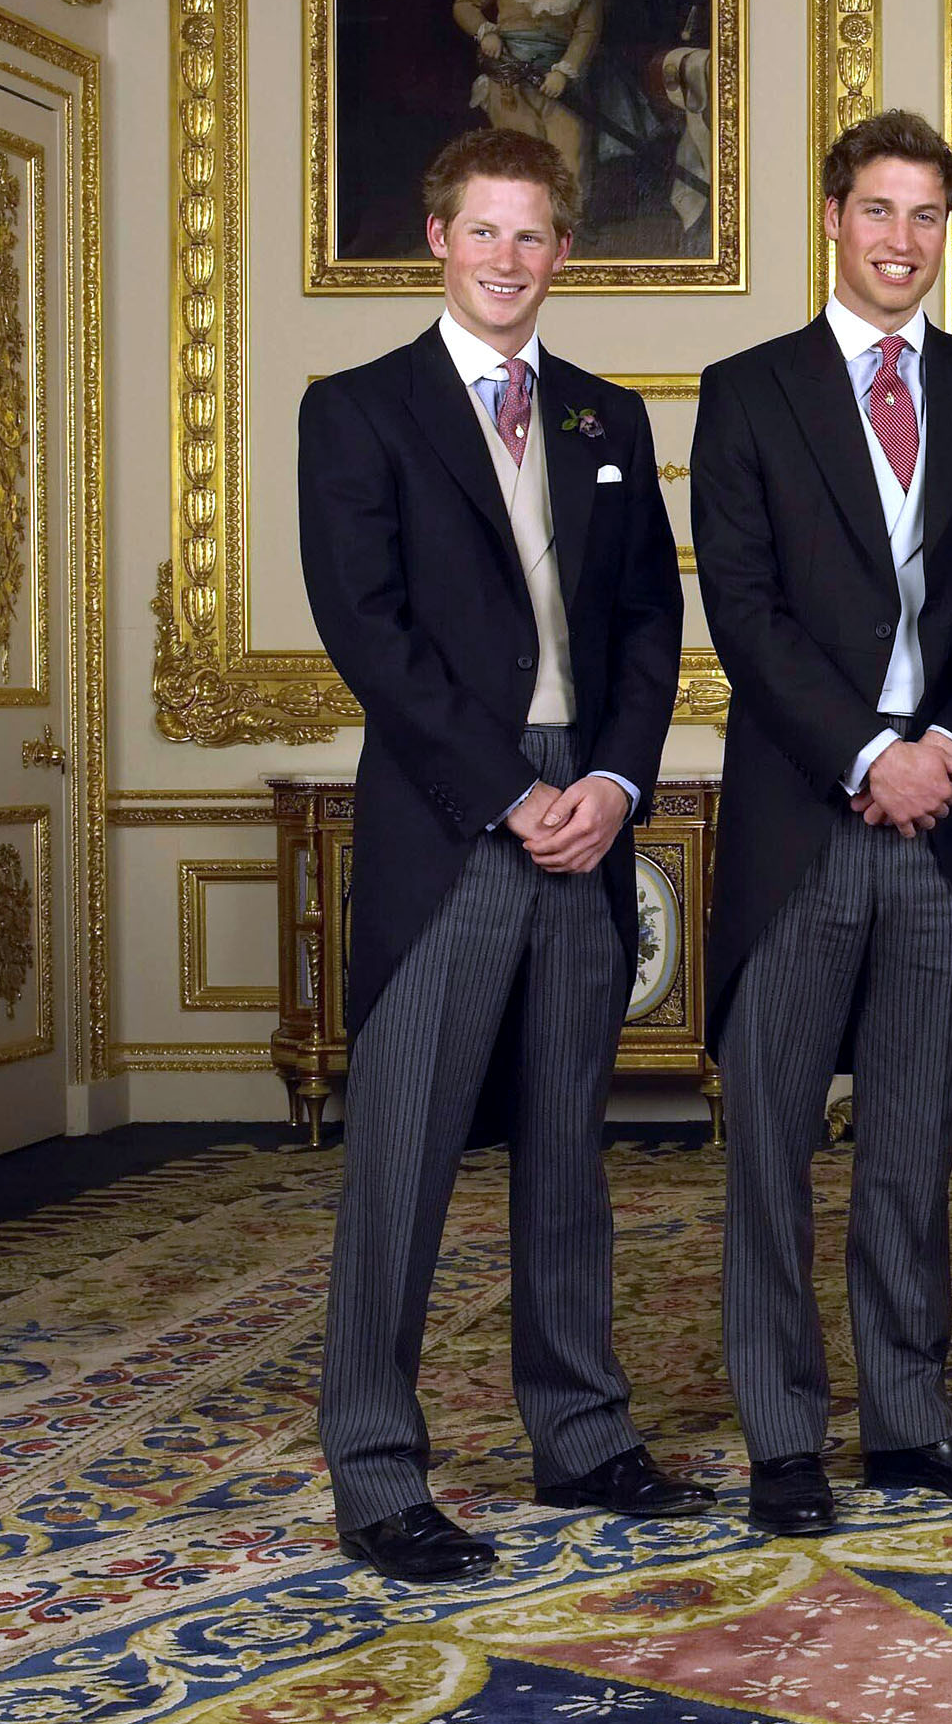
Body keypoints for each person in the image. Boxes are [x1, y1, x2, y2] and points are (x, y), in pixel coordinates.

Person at [299, 126, 701, 1581]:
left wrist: (608, 777)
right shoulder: (358, 412)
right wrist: (504, 791)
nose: (509, 261)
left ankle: (582, 1433)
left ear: (564, 254)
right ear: (435, 237)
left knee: (568, 1154)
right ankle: (377, 1469)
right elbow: (371, 634)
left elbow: (652, 618)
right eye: (485, 233)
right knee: (400, 1158)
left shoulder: (603, 416)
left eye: (534, 237)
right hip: (448, 812)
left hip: (583, 805)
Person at [691, 112, 952, 1539]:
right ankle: (784, 1434)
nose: (902, 240)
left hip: (947, 819)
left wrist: (947, 743)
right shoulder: (752, 389)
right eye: (879, 211)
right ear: (833, 218)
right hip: (807, 817)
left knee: (912, 1144)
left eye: (927, 216)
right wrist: (864, 754)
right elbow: (748, 610)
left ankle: (909, 1419)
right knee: (770, 1144)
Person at [453, 0, 609, 206]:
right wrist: (485, 32)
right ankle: (522, 220)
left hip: (559, 83)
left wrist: (564, 70)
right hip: (510, 82)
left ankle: (566, 226)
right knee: (522, 149)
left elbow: (587, 31)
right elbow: (464, 4)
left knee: (572, 147)